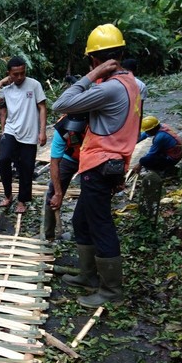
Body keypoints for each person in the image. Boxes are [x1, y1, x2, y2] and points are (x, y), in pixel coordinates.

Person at [52, 23, 141, 308]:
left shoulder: (112, 87)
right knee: (82, 220)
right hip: (109, 162)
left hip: (101, 162)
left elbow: (62, 103)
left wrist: (92, 76)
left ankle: (111, 291)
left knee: (101, 225)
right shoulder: (133, 83)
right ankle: (88, 275)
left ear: (95, 59)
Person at [0, 56, 47, 214]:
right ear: (9, 74)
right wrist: (0, 83)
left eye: (22, 73)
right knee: (3, 159)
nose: (19, 77)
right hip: (11, 130)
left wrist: (42, 131)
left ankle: (22, 200)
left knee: (26, 168)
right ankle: (8, 194)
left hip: (30, 132)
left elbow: (42, 107)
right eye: (15, 74)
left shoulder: (34, 85)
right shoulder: (7, 89)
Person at [43, 113, 87, 241]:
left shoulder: (96, 125)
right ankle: (49, 234)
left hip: (91, 158)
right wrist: (58, 193)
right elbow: (54, 162)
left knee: (90, 194)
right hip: (69, 158)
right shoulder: (61, 128)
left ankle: (82, 232)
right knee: (52, 193)